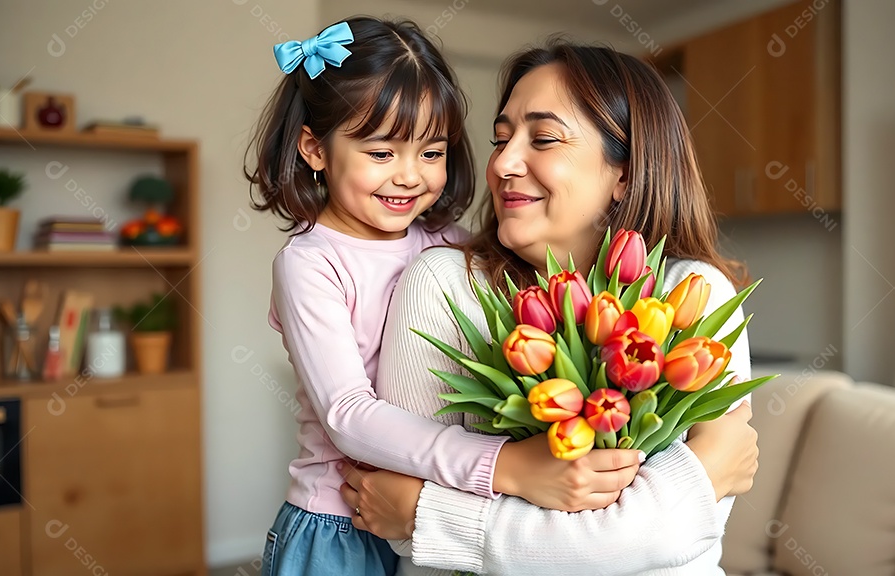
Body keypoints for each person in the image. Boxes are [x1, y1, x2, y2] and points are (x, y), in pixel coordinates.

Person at [338, 41, 761, 575]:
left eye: (543, 138)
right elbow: (386, 503)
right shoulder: (444, 283)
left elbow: (683, 534)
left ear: (625, 172)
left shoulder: (693, 292)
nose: (504, 163)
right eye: (500, 139)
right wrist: (667, 501)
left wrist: (432, 518)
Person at [246, 20, 645, 576]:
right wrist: (504, 466)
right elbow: (347, 414)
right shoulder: (310, 263)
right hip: (338, 521)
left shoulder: (448, 245)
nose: (410, 177)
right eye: (382, 154)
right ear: (315, 148)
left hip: (433, 511)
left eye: (431, 152)